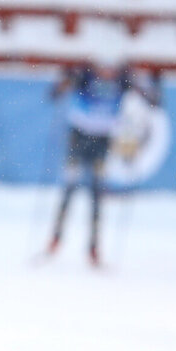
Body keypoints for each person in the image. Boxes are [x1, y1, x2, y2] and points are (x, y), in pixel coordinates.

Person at [46, 55, 158, 265]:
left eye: (111, 67)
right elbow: (54, 93)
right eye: (103, 67)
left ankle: (94, 247)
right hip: (78, 137)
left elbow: (152, 99)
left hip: (102, 141)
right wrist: (67, 78)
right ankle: (55, 238)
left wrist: (145, 82)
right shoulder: (85, 76)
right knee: (70, 187)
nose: (107, 72)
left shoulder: (123, 80)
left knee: (96, 193)